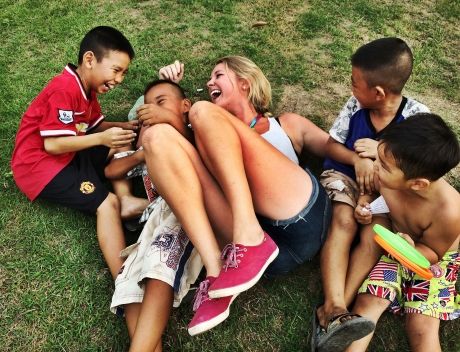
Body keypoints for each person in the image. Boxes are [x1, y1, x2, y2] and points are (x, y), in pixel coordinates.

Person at [140, 56, 332, 336]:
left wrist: (365, 159)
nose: (209, 83)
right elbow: (174, 147)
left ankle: (249, 237)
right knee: (155, 138)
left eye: (218, 75)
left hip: (301, 215)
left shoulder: (286, 124)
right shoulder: (201, 138)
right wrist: (168, 86)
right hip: (260, 260)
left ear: (244, 83)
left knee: (202, 112)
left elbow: (334, 147)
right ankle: (217, 269)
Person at [313, 37, 430, 351]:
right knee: (344, 220)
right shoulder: (356, 106)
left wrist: (377, 157)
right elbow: (331, 145)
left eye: (354, 83)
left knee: (373, 235)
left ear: (378, 93)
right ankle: (334, 306)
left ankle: (338, 315)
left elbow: (414, 171)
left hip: (387, 193)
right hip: (344, 176)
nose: (351, 88)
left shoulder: (417, 119)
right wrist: (356, 159)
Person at [10, 26, 145, 280]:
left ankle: (127, 200)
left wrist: (123, 127)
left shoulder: (87, 88)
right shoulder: (64, 88)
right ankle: (124, 279)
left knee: (121, 140)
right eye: (116, 70)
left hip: (69, 152)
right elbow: (53, 144)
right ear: (90, 60)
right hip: (39, 167)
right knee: (107, 204)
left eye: (124, 73)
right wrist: (102, 138)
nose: (119, 79)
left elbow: (92, 126)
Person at [346, 113, 460, 352]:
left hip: (430, 260)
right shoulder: (387, 174)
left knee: (422, 326)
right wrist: (365, 205)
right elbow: (371, 195)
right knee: (368, 303)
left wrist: (410, 250)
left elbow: (432, 252)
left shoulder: (449, 211)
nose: (375, 166)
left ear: (417, 183)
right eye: (378, 156)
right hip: (396, 246)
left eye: (383, 165)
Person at [109, 79, 204, 352]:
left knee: (159, 266)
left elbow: (198, 156)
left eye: (160, 103)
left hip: (185, 209)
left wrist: (169, 121)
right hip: (154, 219)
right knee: (128, 282)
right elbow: (111, 172)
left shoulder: (192, 132)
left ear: (186, 106)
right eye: (147, 108)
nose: (152, 111)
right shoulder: (147, 148)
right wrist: (141, 153)